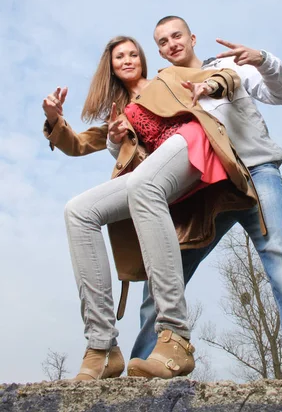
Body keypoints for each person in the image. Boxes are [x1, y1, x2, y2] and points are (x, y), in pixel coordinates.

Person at [109, 16, 282, 381]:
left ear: (192, 37)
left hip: (254, 171)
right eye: (162, 42)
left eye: (176, 36)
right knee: (163, 272)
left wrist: (261, 59)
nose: (171, 44)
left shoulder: (227, 66)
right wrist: (116, 141)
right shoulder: (164, 88)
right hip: (205, 190)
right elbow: (144, 150)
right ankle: (147, 363)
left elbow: (281, 93)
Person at [42, 35, 258, 381]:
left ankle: (175, 335)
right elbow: (77, 143)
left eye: (132, 54)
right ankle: (102, 347)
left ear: (141, 59)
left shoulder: (167, 77)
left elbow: (224, 77)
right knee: (78, 211)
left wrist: (215, 83)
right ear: (110, 68)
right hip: (156, 175)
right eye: (119, 57)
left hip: (193, 143)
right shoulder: (120, 113)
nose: (127, 60)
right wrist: (55, 120)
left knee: (143, 183)